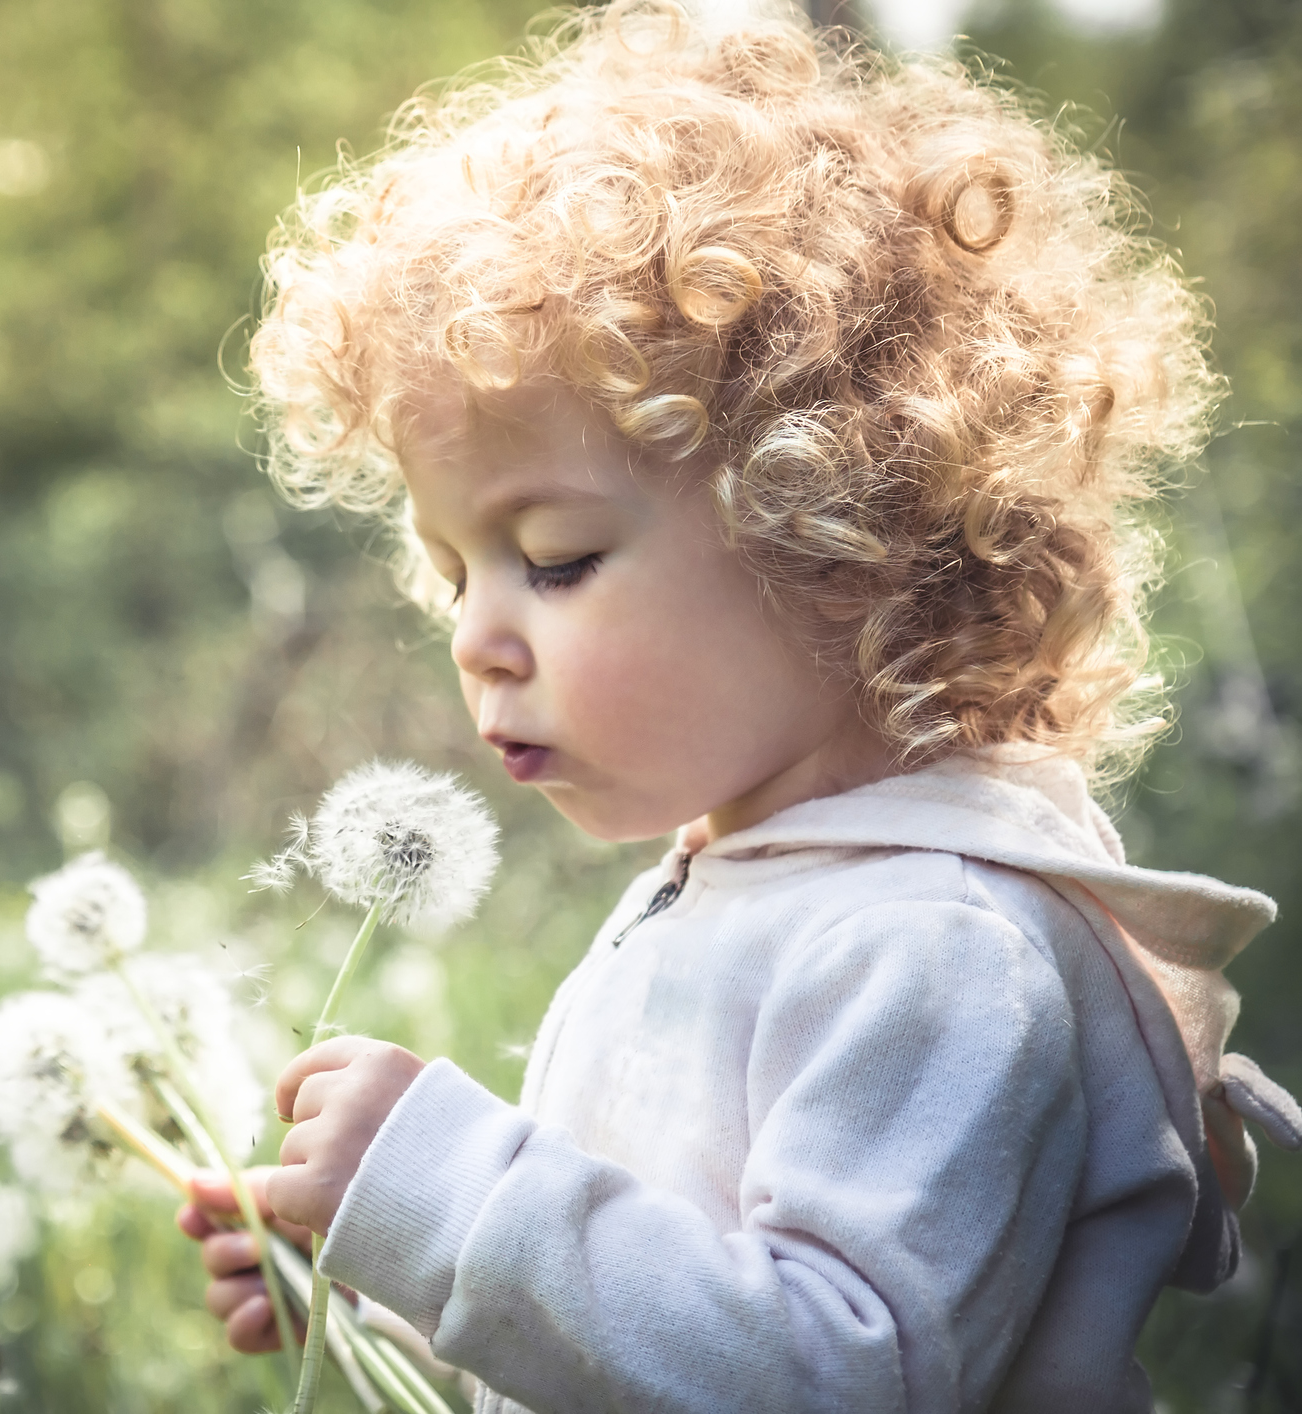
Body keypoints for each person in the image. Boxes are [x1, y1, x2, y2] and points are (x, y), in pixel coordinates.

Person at [176, 4, 1302, 1410]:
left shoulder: (932, 946)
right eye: (452, 568)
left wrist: (451, 1194)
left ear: (835, 535)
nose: (474, 636)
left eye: (553, 559)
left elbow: (828, 1372)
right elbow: (665, 1311)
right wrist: (382, 1255)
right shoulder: (750, 883)